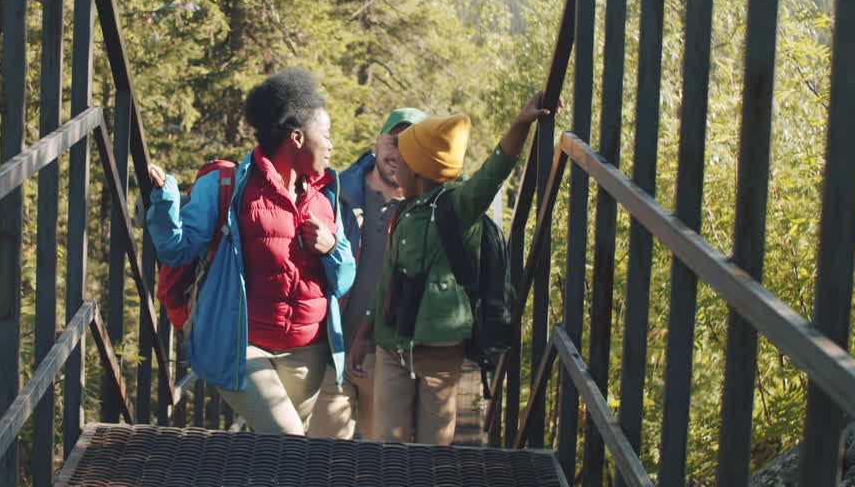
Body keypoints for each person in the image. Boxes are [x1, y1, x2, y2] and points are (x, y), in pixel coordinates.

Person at [146, 68, 355, 435]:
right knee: (289, 441)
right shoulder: (228, 185)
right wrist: (166, 201)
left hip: (308, 352)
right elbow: (176, 250)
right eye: (327, 135)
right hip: (244, 347)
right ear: (296, 137)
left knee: (282, 454)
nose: (331, 145)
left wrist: (333, 247)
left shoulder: (325, 198)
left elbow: (345, 277)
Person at [347, 92, 553, 445]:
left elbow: (495, 170)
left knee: (434, 447)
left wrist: (520, 125)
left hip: (439, 352)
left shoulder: (458, 206)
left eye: (405, 160)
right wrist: (365, 333)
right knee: (386, 442)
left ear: (422, 168)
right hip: (391, 346)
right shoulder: (405, 212)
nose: (397, 165)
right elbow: (387, 281)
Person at [305, 107, 426, 440]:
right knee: (320, 462)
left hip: (391, 361)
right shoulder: (335, 194)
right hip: (332, 353)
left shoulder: (425, 213)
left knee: (384, 470)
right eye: (393, 142)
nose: (398, 153)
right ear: (378, 141)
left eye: (410, 145)